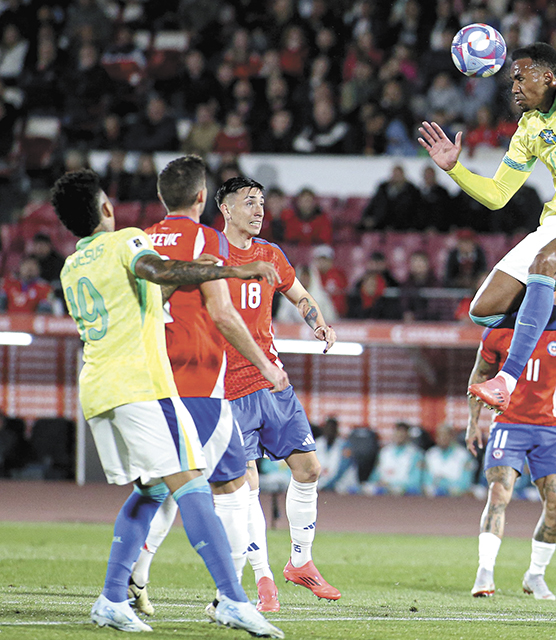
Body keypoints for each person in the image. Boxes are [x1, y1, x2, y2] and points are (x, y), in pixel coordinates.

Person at [49, 169, 282, 638]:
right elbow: (158, 271)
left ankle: (115, 597)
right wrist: (234, 268)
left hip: (97, 390)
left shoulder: (73, 264)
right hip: (140, 388)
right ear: (107, 210)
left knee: (153, 489)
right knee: (194, 485)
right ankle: (233, 600)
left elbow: (155, 292)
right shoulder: (127, 242)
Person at [417, 21, 556, 414]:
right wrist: (454, 169)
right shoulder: (528, 129)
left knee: (544, 265)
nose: (514, 87)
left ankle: (506, 380)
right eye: (511, 81)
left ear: (549, 76)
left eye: (520, 78)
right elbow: (497, 196)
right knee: (484, 312)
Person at [129, 155, 290, 616]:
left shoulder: (139, 241)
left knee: (159, 483)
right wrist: (266, 365)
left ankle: (131, 578)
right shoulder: (207, 239)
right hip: (199, 381)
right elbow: (221, 313)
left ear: (163, 198)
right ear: (203, 198)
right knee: (235, 488)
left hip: (151, 381)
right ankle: (230, 597)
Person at [217, 176, 342, 605]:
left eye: (262, 203)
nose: (258, 210)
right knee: (246, 485)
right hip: (229, 389)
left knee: (308, 469)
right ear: (226, 209)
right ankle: (262, 578)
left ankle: (300, 562)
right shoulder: (209, 257)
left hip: (273, 382)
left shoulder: (271, 254)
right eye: (249, 202)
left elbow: (299, 294)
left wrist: (318, 322)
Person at [466, 324, 556, 600]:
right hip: (507, 423)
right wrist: (472, 422)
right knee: (499, 491)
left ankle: (535, 575)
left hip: (549, 428)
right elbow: (480, 373)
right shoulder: (499, 330)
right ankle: (485, 571)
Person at [365, 423, 422, 495]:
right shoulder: (385, 452)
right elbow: (375, 475)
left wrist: (391, 484)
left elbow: (415, 481)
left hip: (404, 493)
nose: (399, 436)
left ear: (408, 435)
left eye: (402, 433)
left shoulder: (415, 453)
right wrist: (376, 483)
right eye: (397, 432)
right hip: (383, 492)